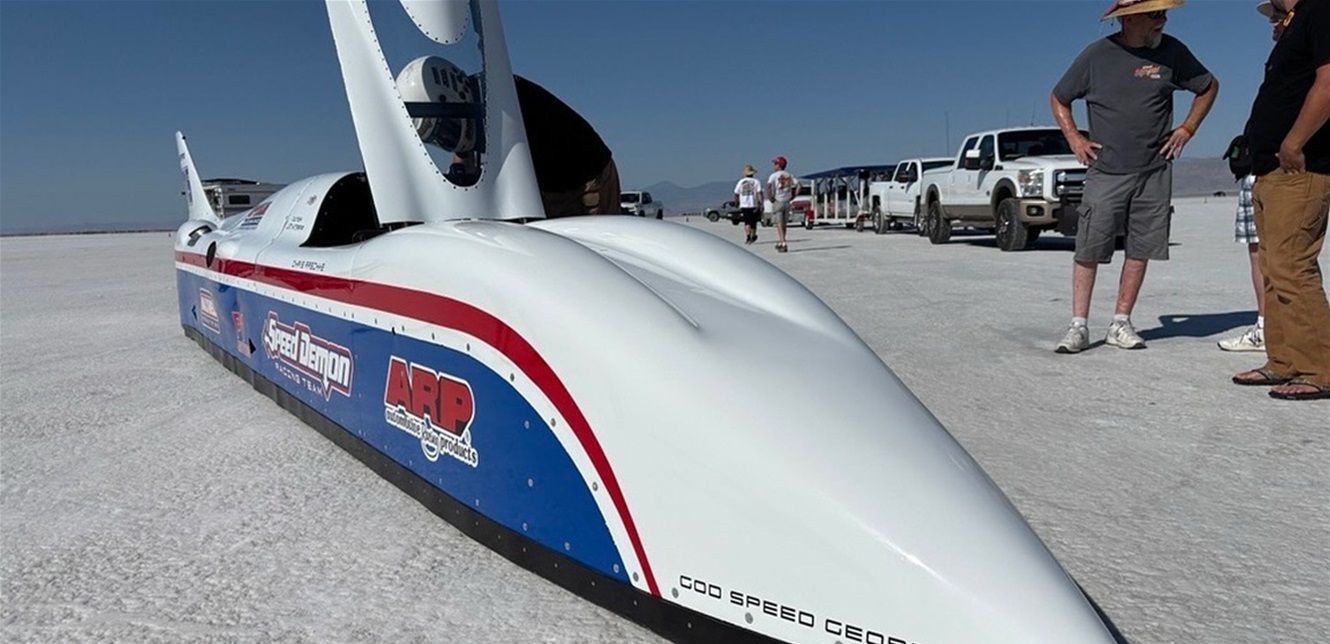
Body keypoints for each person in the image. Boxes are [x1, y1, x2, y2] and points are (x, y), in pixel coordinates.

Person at [1050, 0, 1219, 353]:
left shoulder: (1173, 52)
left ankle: (1121, 322)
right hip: (1106, 170)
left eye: (1164, 13)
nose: (1163, 20)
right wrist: (1074, 138)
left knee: (1141, 247)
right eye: (1155, 14)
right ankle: (1078, 325)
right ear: (1128, 19)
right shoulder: (1096, 56)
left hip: (1154, 170)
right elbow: (1059, 97)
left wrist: (1187, 129)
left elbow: (1208, 87)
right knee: (1089, 247)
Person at [1231, 0, 1330, 401]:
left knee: (1292, 266)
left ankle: (1321, 368)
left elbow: (1328, 82)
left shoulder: (1321, 10)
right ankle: (1284, 361)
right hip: (1271, 169)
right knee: (1273, 268)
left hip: (1299, 167)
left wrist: (1294, 142)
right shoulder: (1297, 21)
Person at [396, 56, 618, 218]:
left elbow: (508, 176)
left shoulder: (505, 100)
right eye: (440, 138)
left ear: (454, 95)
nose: (448, 138)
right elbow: (463, 156)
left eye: (447, 130)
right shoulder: (472, 105)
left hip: (586, 181)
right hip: (550, 185)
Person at [1218, 2, 1290, 353]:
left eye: (1278, 15)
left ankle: (1282, 332)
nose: (1272, 23)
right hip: (1258, 169)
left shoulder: (1305, 57)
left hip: (1281, 170)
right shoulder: (1281, 58)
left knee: (1281, 255)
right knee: (1258, 251)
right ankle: (1267, 325)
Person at [766, 156, 797, 253]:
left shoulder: (774, 175)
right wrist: (793, 196)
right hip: (787, 201)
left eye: (775, 164)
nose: (774, 166)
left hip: (778, 201)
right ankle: (781, 241)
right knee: (784, 223)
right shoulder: (789, 175)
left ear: (779, 165)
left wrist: (770, 197)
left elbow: (768, 186)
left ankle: (783, 243)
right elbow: (798, 185)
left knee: (779, 223)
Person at [734, 165, 764, 245]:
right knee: (753, 222)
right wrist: (761, 203)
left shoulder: (741, 182)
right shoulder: (756, 182)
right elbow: (759, 193)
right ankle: (753, 235)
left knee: (747, 222)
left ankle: (748, 236)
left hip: (744, 205)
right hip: (753, 204)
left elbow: (736, 193)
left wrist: (736, 202)